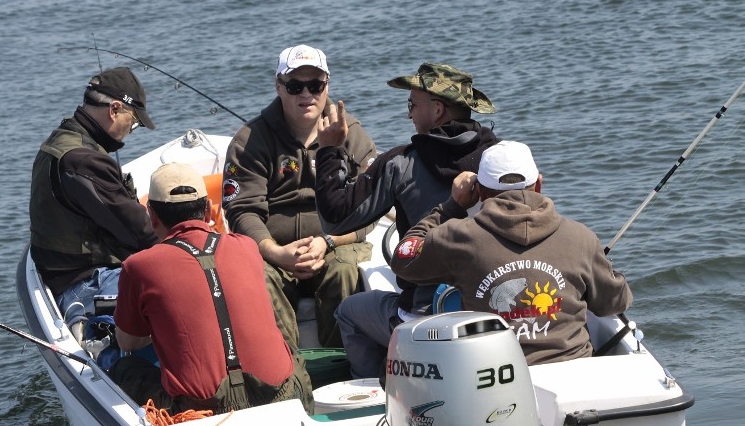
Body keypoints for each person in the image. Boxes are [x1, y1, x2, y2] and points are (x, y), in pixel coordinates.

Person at [315, 62, 499, 378]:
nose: (409, 114)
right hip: (494, 308)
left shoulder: (401, 164)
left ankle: (380, 399)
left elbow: (336, 218)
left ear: (438, 109)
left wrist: (330, 151)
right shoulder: (502, 159)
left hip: (428, 319)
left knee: (349, 313)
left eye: (412, 105)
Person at [391, 140, 633, 365]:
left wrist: (450, 207)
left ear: (481, 193)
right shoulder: (581, 237)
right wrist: (603, 267)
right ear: (539, 184)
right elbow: (616, 302)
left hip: (496, 378)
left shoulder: (457, 237)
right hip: (571, 371)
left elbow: (403, 258)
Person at [111, 163, 313, 414]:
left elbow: (127, 341)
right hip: (279, 395)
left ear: (151, 216)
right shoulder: (247, 246)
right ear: (208, 210)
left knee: (122, 367)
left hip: (201, 410)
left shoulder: (138, 266)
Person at [221, 44, 377, 349]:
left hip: (334, 242)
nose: (306, 94)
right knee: (258, 278)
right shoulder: (250, 141)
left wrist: (328, 242)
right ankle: (285, 370)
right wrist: (275, 252)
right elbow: (242, 210)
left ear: (327, 86)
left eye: (315, 85)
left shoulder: (352, 134)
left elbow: (371, 204)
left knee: (344, 271)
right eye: (294, 86)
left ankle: (342, 363)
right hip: (274, 249)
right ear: (278, 87)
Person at [29, 67, 158, 329]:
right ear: (114, 110)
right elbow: (141, 234)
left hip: (59, 273)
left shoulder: (62, 137)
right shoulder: (86, 161)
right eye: (133, 122)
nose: (131, 131)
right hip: (86, 282)